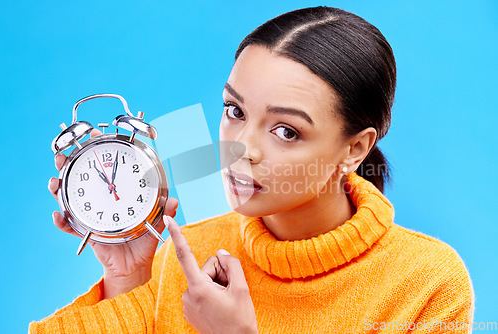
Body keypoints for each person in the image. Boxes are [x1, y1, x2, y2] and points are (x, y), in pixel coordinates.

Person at [30, 6, 474, 333]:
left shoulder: (427, 284)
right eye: (234, 110)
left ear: (354, 149)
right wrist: (127, 277)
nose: (240, 148)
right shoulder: (188, 254)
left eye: (285, 131)